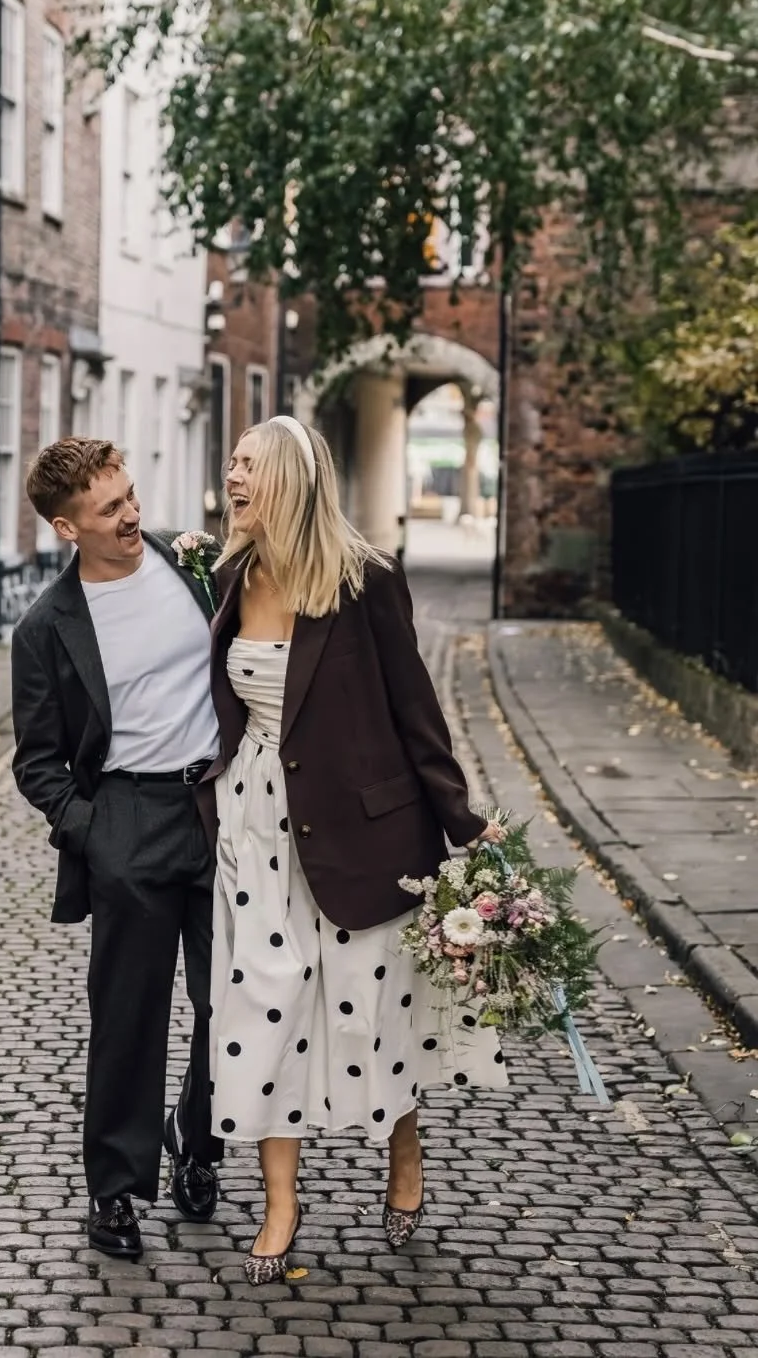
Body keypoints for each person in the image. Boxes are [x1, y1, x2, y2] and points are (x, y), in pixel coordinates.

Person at [205, 415, 509, 1285]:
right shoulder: (232, 573)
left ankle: (403, 1154)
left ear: (291, 481)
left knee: (372, 1015)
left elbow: (417, 709)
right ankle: (280, 1202)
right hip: (256, 828)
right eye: (230, 463)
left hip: (363, 833)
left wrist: (459, 821)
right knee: (265, 1004)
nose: (232, 477)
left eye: (247, 466)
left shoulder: (366, 581)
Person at [11, 437, 223, 1259]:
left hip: (216, 808)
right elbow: (38, 762)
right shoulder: (47, 628)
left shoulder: (189, 563)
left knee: (230, 1002)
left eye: (131, 496)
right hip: (128, 819)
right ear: (69, 528)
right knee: (128, 1019)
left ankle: (198, 1142)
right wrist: (96, 834)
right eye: (110, 509)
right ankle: (114, 1193)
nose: (133, 515)